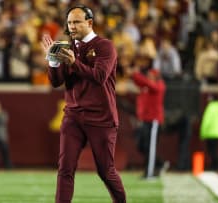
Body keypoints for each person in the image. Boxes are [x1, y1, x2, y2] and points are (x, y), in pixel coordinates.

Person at [41, 5, 126, 203]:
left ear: (89, 23)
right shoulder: (68, 47)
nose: (72, 26)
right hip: (73, 115)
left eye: (77, 22)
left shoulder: (105, 46)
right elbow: (56, 82)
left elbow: (99, 76)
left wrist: (74, 63)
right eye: (69, 22)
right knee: (65, 169)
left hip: (100, 117)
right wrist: (53, 62)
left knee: (105, 171)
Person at [127, 64, 168, 178]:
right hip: (145, 120)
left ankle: (149, 172)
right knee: (142, 145)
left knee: (150, 146)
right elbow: (140, 82)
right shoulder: (147, 87)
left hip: (154, 121)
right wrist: (132, 74)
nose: (149, 77)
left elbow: (147, 83)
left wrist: (135, 73)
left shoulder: (159, 85)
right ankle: (159, 163)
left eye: (151, 76)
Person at [200, 95, 218, 170]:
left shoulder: (210, 107)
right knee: (214, 150)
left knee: (211, 151)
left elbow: (206, 121)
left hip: (210, 132)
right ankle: (216, 165)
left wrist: (202, 133)